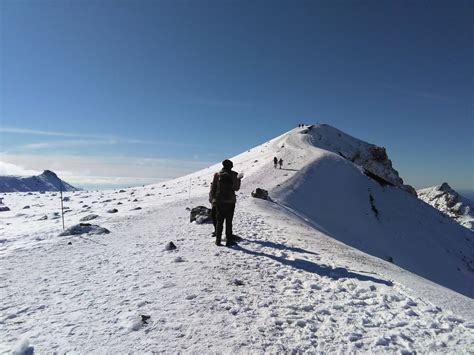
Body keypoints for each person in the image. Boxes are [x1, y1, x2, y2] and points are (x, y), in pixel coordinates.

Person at [209, 159, 242, 246]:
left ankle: (218, 240)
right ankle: (229, 240)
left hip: (220, 201)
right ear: (231, 166)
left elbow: (213, 188)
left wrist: (213, 200)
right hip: (230, 201)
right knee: (229, 221)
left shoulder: (217, 175)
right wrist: (239, 179)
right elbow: (236, 188)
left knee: (219, 221)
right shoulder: (234, 174)